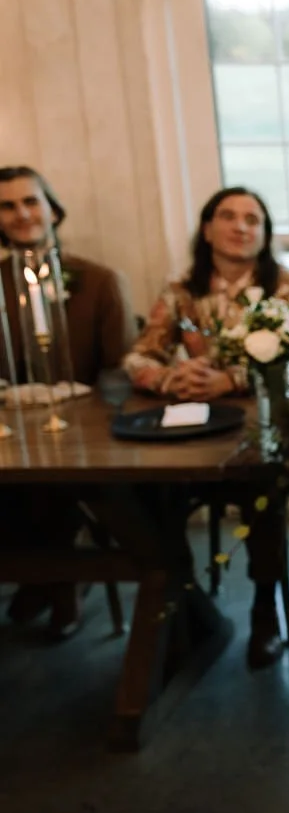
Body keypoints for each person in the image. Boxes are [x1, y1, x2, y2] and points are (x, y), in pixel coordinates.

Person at [124, 187, 289, 668]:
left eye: (253, 219)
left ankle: (263, 611)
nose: (241, 226)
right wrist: (175, 376)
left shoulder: (286, 287)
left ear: (264, 233)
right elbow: (138, 357)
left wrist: (231, 378)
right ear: (208, 228)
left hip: (269, 429)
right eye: (229, 216)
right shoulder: (181, 291)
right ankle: (183, 603)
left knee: (263, 486)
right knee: (149, 489)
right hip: (197, 431)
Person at [0, 165, 133, 638]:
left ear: (52, 209)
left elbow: (121, 370)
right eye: (7, 206)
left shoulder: (97, 281)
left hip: (86, 432)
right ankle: (37, 575)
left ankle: (62, 585)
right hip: (12, 430)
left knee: (53, 484)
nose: (21, 215)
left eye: (30, 202)